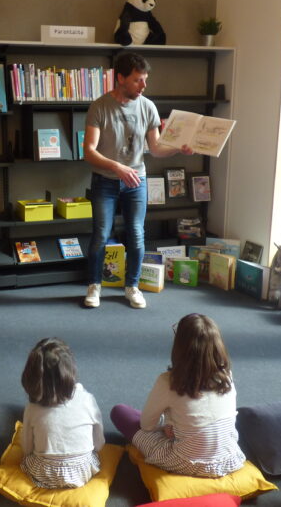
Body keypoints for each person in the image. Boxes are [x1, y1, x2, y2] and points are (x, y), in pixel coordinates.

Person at [81, 52, 193, 309]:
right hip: (105, 181)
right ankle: (94, 285)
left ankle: (132, 286)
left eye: (145, 80)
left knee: (136, 234)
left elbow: (155, 149)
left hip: (136, 181)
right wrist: (117, 167)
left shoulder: (148, 106)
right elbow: (89, 151)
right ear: (119, 78)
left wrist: (178, 149)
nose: (144, 85)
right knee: (100, 234)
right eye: (137, 80)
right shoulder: (99, 107)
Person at [110, 313, 246, 477]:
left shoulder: (169, 381)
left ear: (180, 346)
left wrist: (168, 424)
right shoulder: (227, 376)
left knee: (120, 412)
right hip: (229, 459)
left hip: (187, 463)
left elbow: (147, 425)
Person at [19, 338, 104, 489]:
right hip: (84, 471)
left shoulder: (32, 409)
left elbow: (27, 449)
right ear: (70, 371)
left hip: (45, 473)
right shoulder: (87, 399)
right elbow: (99, 443)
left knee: (26, 460)